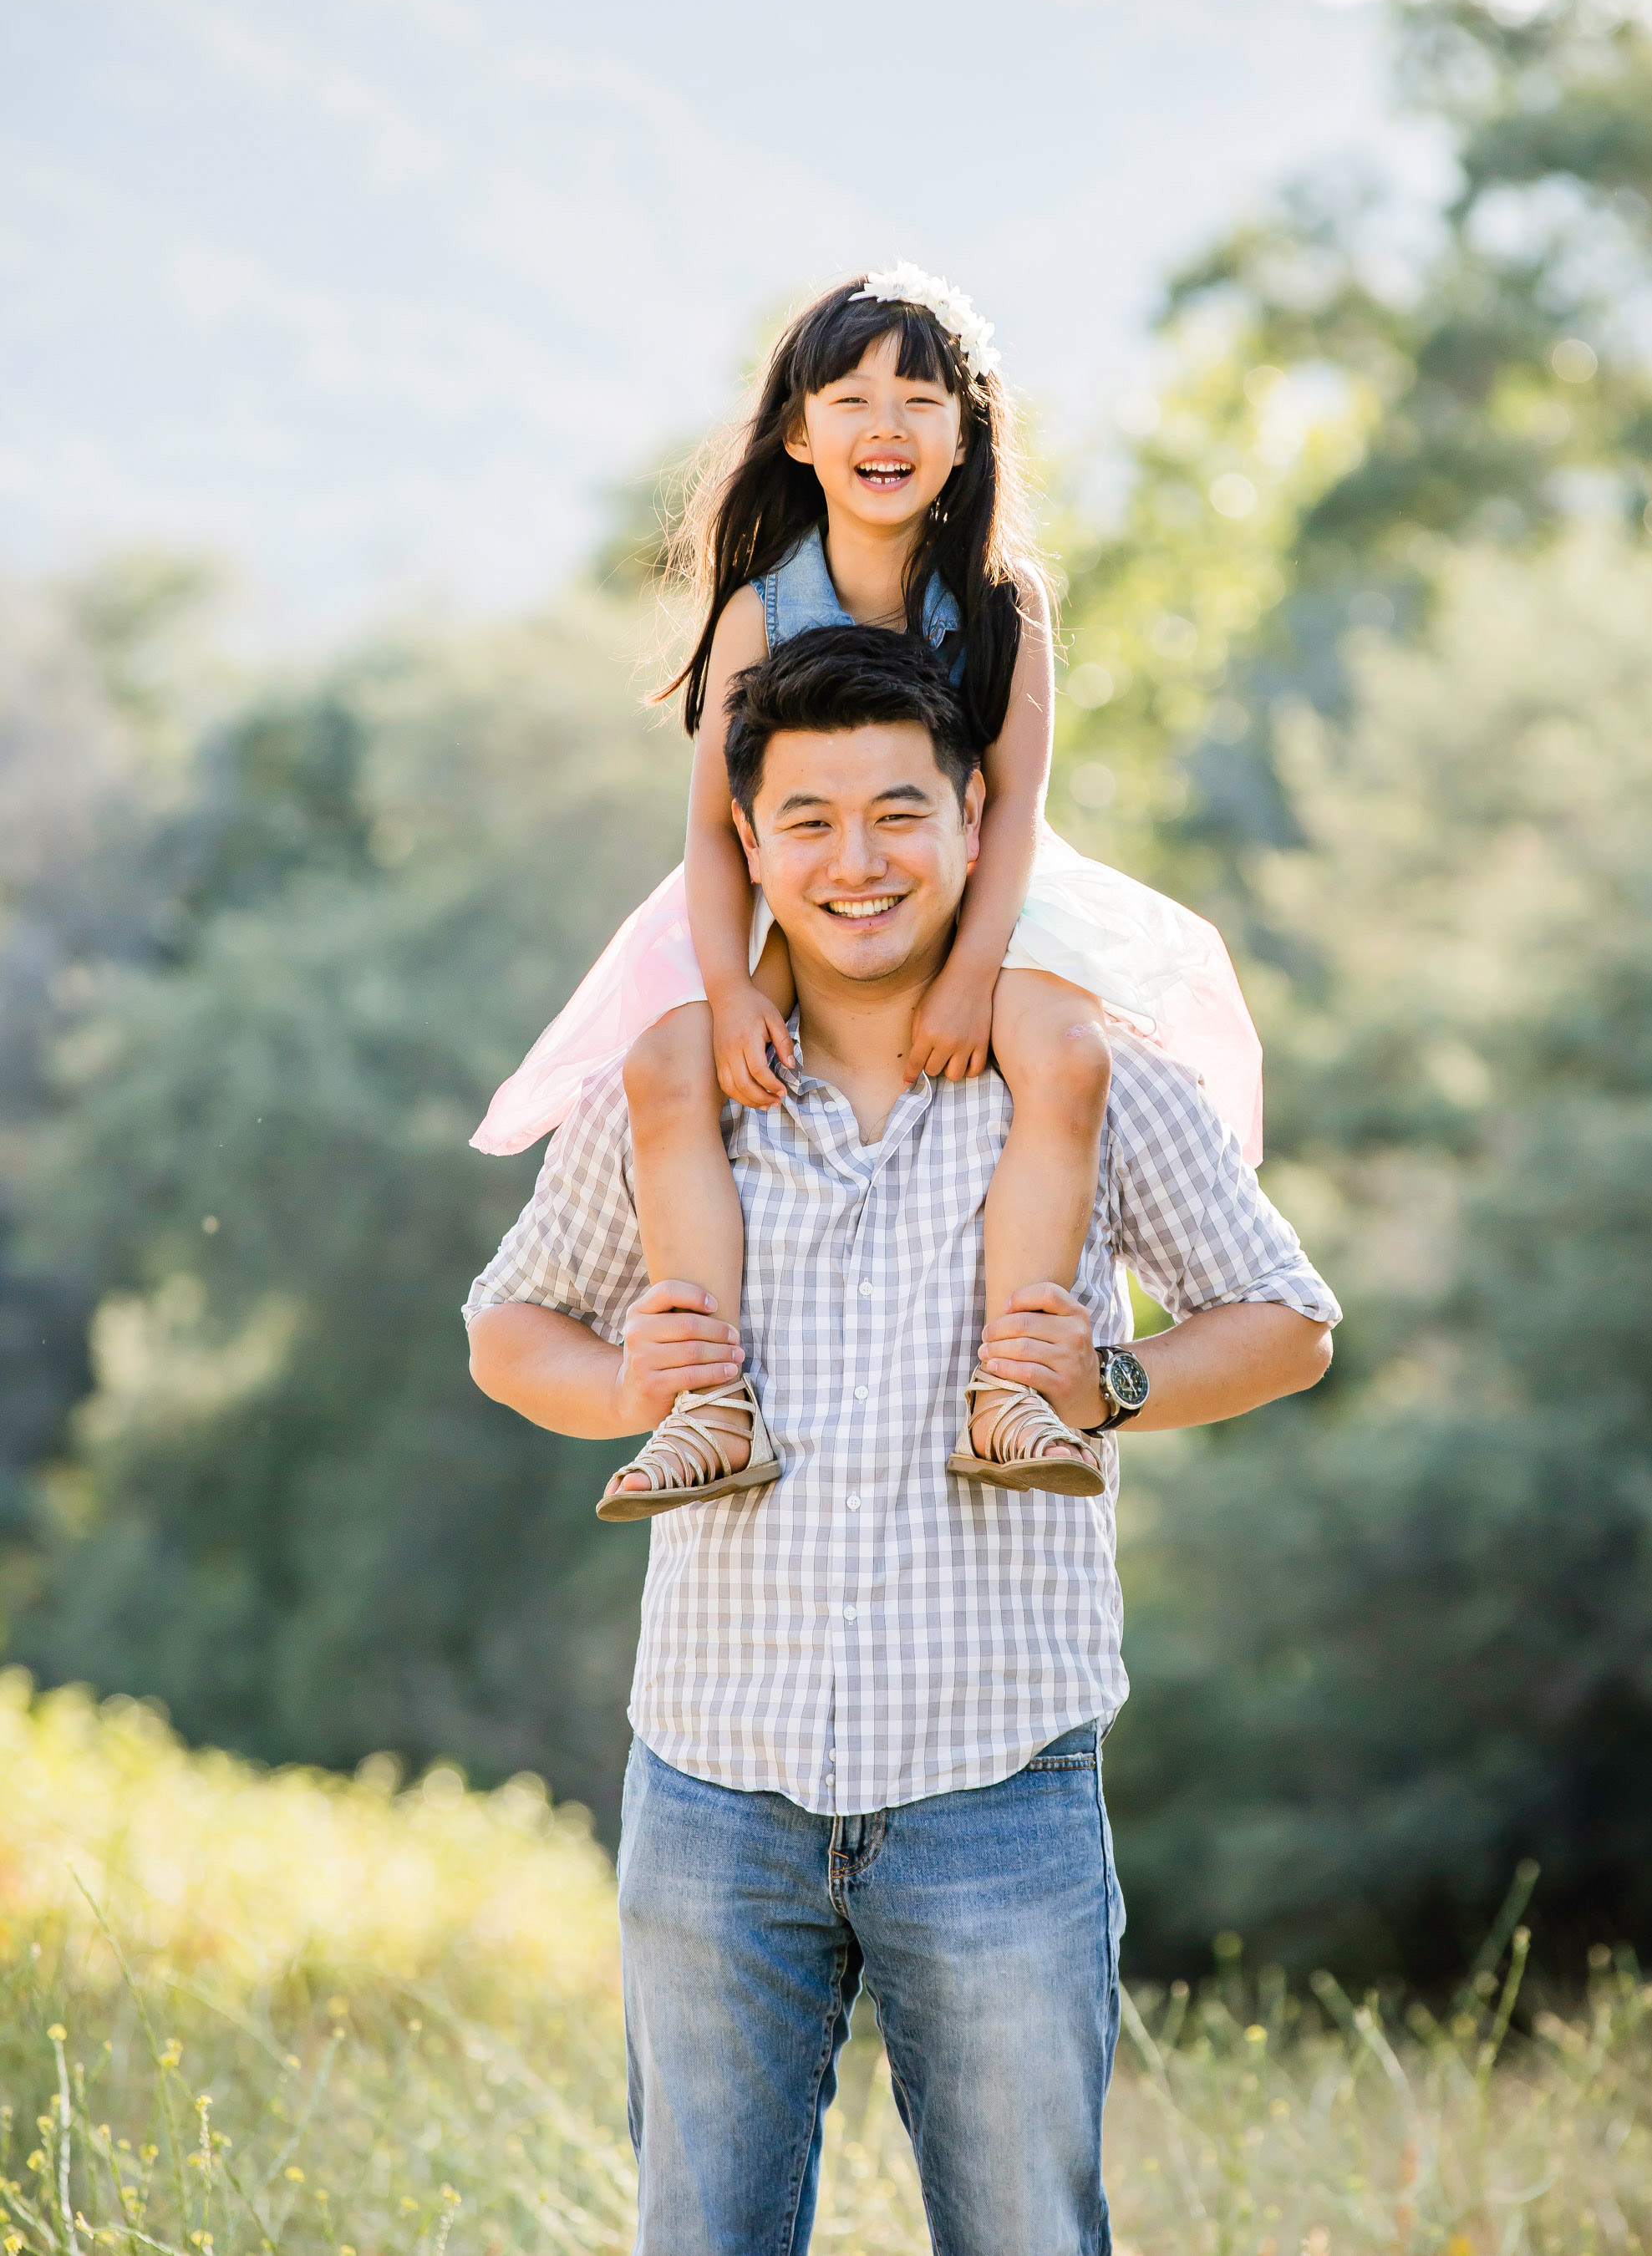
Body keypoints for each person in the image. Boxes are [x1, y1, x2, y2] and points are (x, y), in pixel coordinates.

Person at [465, 622, 1339, 2256]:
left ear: (969, 827)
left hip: (998, 1791)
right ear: (743, 843)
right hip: (714, 1795)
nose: (854, 861)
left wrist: (1111, 1382)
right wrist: (618, 1392)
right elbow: (504, 1326)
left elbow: (1286, 1323)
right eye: (806, 819)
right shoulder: (676, 1097)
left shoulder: (1085, 1083)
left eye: (897, 814)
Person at [473, 264, 1266, 1512]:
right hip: (780, 885)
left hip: (982, 882)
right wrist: (733, 990)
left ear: (968, 431)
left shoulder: (1003, 603)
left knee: (1060, 1048)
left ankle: (1014, 1382)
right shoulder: (760, 607)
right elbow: (711, 828)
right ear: (798, 432)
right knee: (668, 1063)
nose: (884, 427)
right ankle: (707, 1403)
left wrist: (970, 979)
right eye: (848, 398)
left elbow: (1014, 812)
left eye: (920, 398)